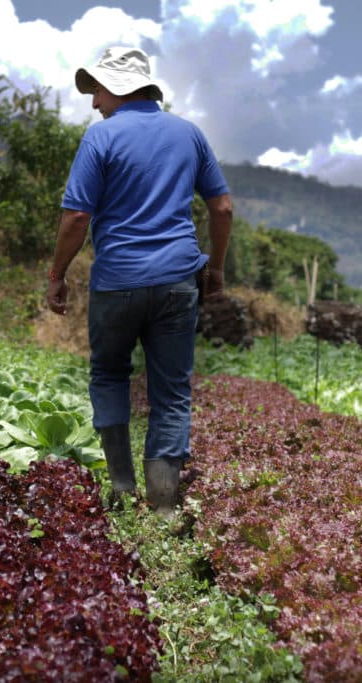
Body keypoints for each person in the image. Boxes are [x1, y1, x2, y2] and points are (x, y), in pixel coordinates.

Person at [46, 46, 233, 516]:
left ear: (121, 87)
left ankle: (123, 490)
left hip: (117, 283)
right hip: (177, 282)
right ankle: (165, 506)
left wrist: (56, 275)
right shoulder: (189, 134)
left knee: (109, 374)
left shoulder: (100, 139)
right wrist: (218, 271)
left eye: (98, 90)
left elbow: (75, 217)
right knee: (170, 391)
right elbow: (223, 207)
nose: (94, 103)